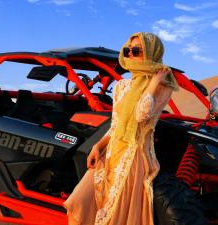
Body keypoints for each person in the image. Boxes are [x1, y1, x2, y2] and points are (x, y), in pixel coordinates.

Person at [63, 32, 179, 225]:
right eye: (128, 50)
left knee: (115, 214)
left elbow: (141, 115)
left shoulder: (163, 86)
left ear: (151, 52)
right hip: (112, 152)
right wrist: (98, 146)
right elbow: (116, 124)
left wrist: (152, 85)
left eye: (136, 50)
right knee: (80, 200)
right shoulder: (121, 86)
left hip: (134, 157)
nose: (131, 55)